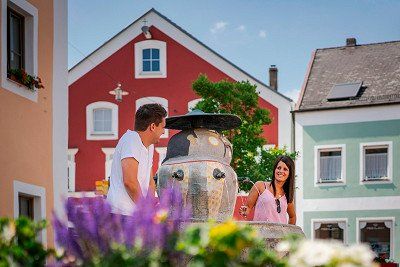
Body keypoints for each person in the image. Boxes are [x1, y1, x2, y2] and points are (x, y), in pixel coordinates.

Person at [107, 103, 167, 215]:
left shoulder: (149, 146)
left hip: (136, 214)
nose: (163, 131)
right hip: (121, 214)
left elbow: (150, 183)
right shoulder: (131, 140)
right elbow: (130, 182)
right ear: (153, 126)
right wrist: (146, 211)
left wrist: (150, 207)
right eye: (162, 127)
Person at [239, 155, 296, 224]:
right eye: (279, 168)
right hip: (261, 233)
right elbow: (248, 207)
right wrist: (245, 211)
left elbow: (292, 217)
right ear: (275, 169)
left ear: (289, 174)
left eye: (285, 169)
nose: (281, 171)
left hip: (280, 234)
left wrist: (289, 233)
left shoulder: (288, 195)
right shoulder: (260, 186)